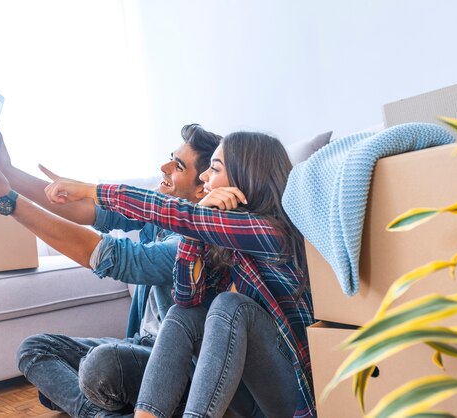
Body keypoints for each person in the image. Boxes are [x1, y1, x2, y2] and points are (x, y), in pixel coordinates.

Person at [43, 131, 316, 418]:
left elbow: (171, 213)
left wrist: (90, 190)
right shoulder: (220, 239)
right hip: (244, 400)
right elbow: (186, 299)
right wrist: (196, 230)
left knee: (230, 306)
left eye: (215, 169)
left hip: (290, 398)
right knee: (183, 313)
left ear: (243, 177)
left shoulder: (269, 231)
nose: (205, 178)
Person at [0, 124, 221, 417]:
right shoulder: (161, 210)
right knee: (34, 349)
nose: (163, 167)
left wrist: (6, 200)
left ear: (203, 186)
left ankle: (98, 402)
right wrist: (8, 172)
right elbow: (85, 207)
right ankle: (102, 410)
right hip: (138, 345)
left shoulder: (198, 243)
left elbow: (112, 256)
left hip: (174, 369)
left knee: (100, 367)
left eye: (177, 166)